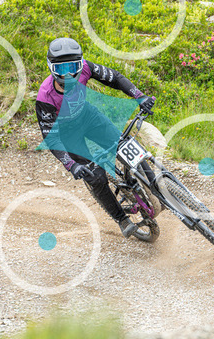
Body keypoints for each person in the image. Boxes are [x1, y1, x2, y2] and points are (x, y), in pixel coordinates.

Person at [35, 37, 156, 238]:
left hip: (88, 118)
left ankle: (156, 184)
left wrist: (139, 96)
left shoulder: (86, 68)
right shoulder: (45, 97)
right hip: (67, 134)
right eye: (61, 69)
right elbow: (51, 137)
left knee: (126, 146)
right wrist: (71, 165)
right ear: (51, 68)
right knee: (96, 177)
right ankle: (121, 219)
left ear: (80, 64)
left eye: (72, 67)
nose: (68, 74)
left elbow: (115, 78)